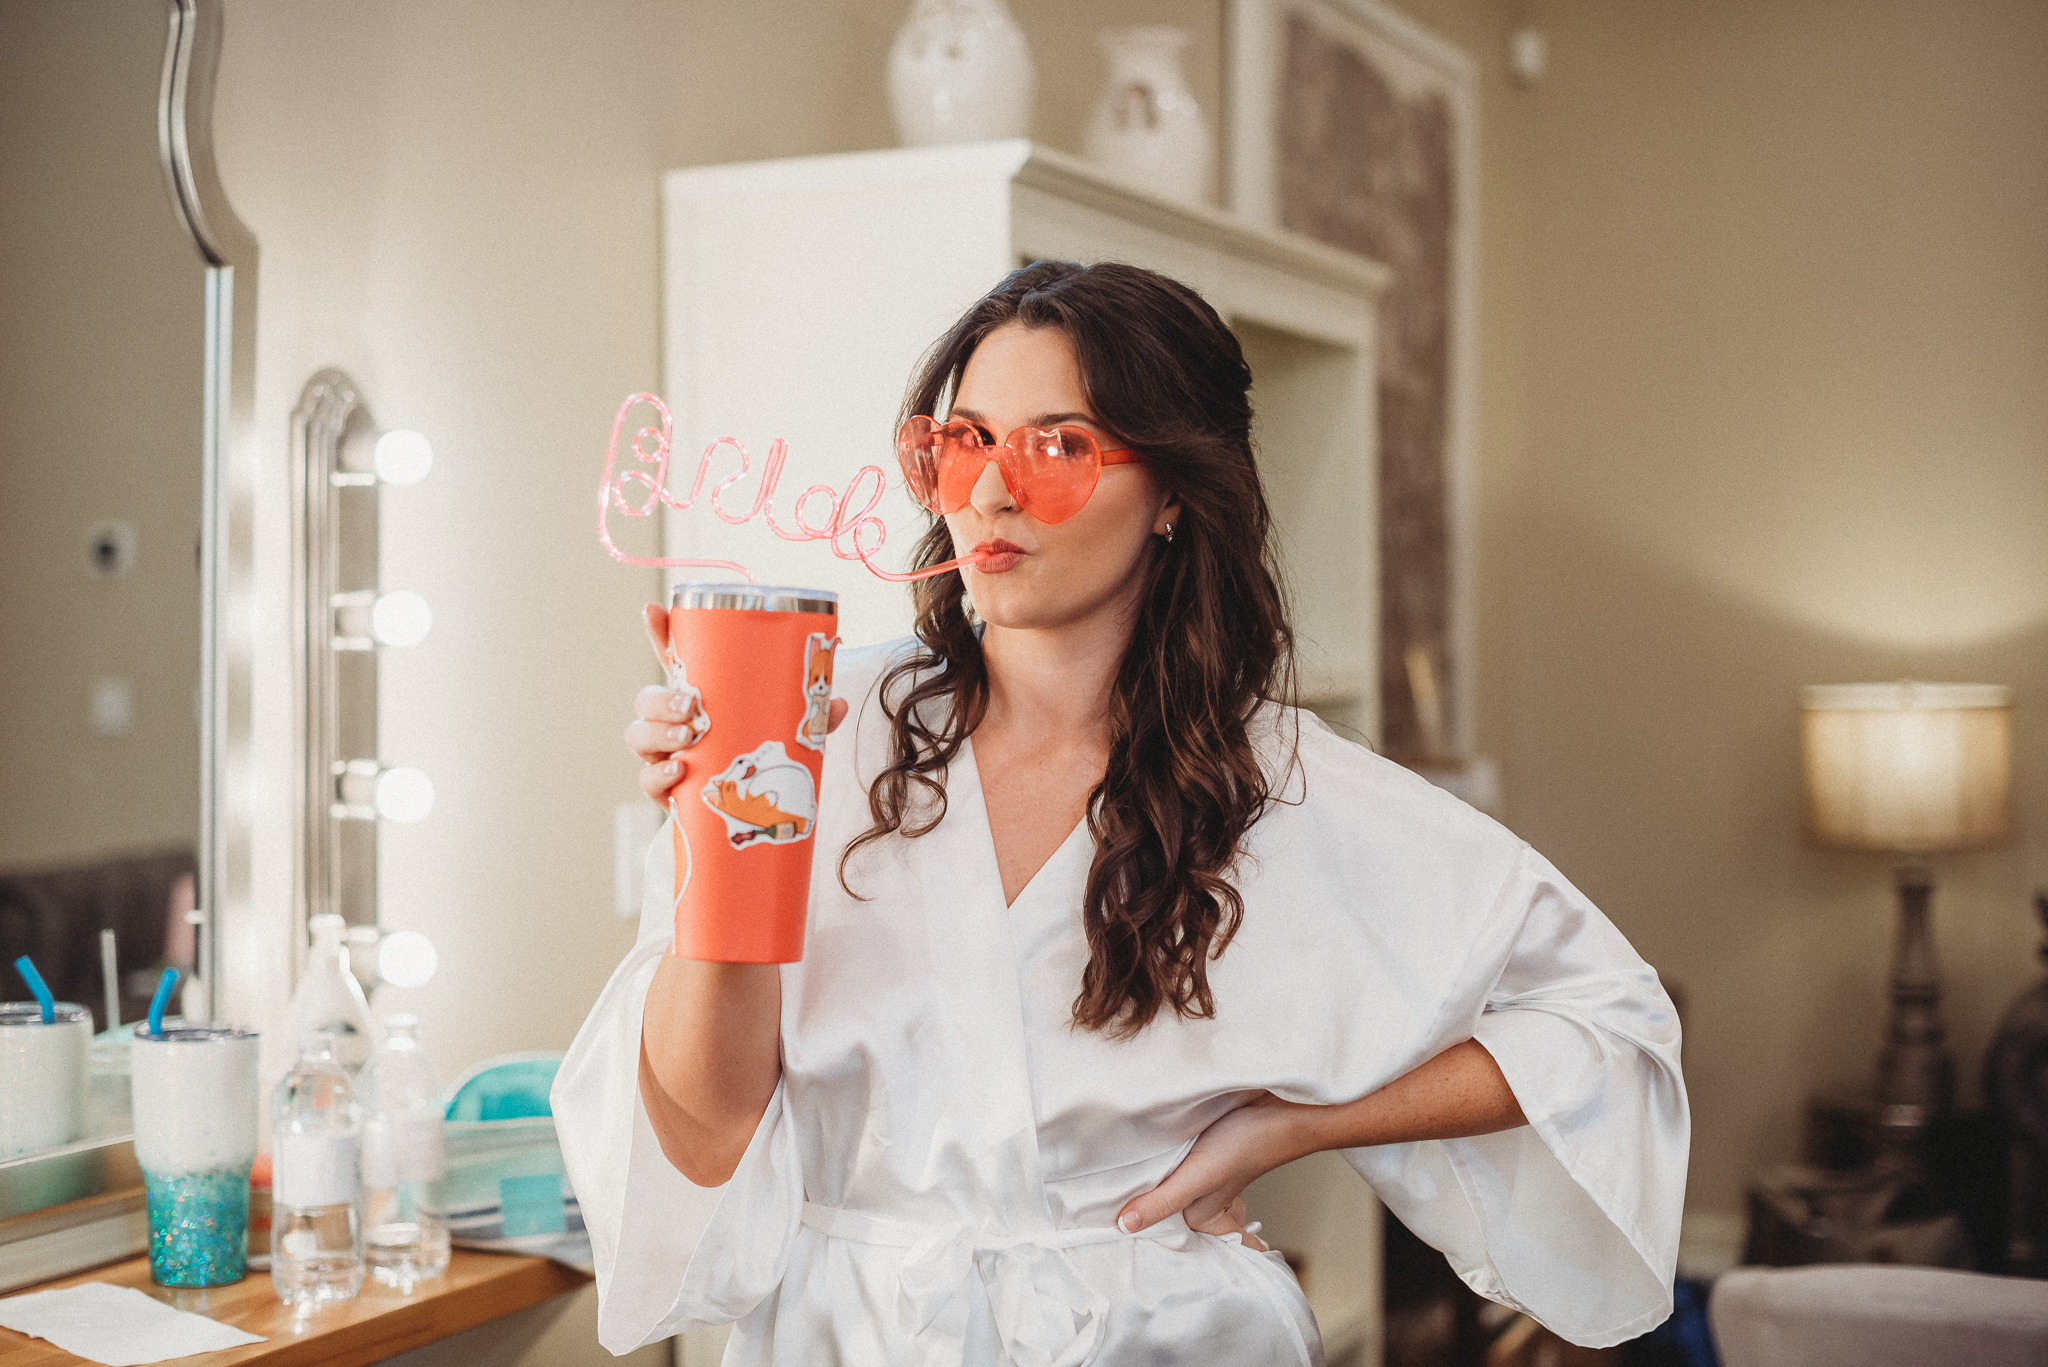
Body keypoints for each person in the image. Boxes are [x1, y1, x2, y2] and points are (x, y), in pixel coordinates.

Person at [554, 261, 1688, 1365]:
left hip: (1163, 1330)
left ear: (1175, 492)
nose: (990, 493)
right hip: (850, 1335)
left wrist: (1294, 1125)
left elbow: (1607, 1023)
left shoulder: (1276, 781)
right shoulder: (818, 729)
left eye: (1057, 446)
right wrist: (721, 848)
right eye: (964, 442)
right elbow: (705, 1131)